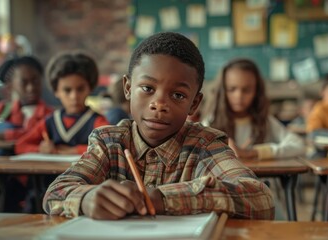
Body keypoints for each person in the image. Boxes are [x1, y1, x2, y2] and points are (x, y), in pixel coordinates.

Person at [43, 32, 274, 220]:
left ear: (194, 103)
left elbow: (260, 198)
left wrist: (161, 198)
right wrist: (87, 198)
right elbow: (55, 193)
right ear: (127, 88)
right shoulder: (109, 142)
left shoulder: (205, 145)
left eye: (178, 95)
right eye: (147, 89)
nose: (159, 104)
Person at [202, 58, 305, 160]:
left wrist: (254, 152)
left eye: (247, 90)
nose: (239, 96)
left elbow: (299, 145)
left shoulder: (265, 121)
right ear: (222, 91)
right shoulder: (211, 122)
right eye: (231, 89)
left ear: (257, 92)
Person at [15, 51, 109, 154]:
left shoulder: (97, 121)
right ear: (56, 91)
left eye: (80, 89)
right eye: (67, 90)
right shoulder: (50, 121)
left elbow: (108, 146)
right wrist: (40, 149)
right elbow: (21, 145)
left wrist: (73, 150)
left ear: (90, 88)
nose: (74, 96)